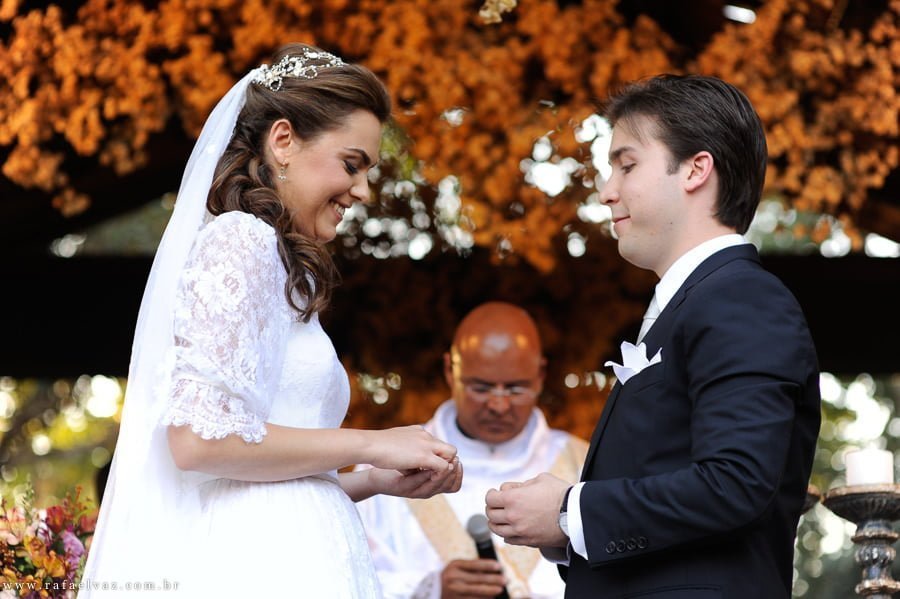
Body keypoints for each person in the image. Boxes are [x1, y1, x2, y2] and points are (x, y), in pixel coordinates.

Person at [80, 44, 462, 598]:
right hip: (261, 569)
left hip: (303, 555)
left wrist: (376, 480)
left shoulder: (279, 264)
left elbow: (262, 478)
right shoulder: (242, 240)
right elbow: (197, 443)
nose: (362, 190)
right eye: (351, 164)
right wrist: (373, 444)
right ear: (283, 141)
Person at [485, 75, 821, 598]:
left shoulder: (743, 299)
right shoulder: (693, 303)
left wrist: (570, 511)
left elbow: (734, 482)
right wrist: (564, 532)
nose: (606, 190)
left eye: (627, 164)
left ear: (695, 169)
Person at [356, 302, 588, 599]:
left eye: (516, 389)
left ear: (540, 375)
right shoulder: (387, 466)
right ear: (450, 372)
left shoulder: (583, 464)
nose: (498, 405)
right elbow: (344, 571)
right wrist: (429, 589)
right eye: (481, 388)